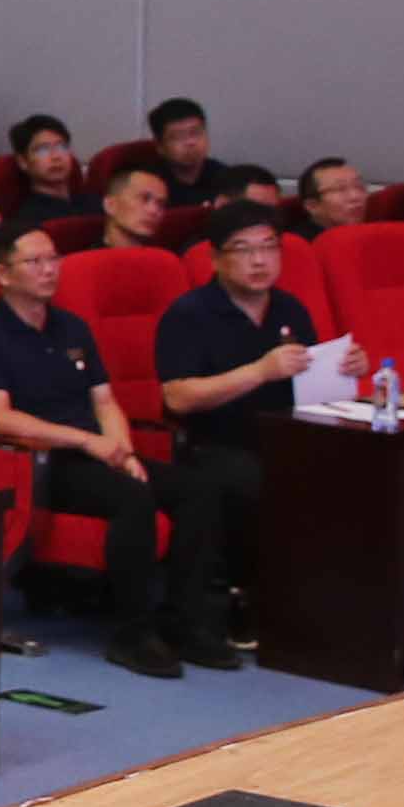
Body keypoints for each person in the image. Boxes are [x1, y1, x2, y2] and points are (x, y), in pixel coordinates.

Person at [0, 228, 185, 679]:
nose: (49, 270)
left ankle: (188, 622)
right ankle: (132, 635)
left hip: (98, 453)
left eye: (54, 259)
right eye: (35, 262)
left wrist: (123, 452)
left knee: (195, 488)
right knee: (132, 497)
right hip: (42, 463)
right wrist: (87, 442)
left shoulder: (71, 326)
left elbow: (104, 401)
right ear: (2, 273)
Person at [137, 212, 314, 667]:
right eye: (244, 249)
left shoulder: (290, 309)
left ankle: (318, 606)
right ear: (216, 259)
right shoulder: (189, 315)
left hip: (288, 437)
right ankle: (230, 607)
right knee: (250, 480)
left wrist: (343, 367)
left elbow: (308, 381)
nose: (259, 260)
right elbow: (178, 397)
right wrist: (260, 371)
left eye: (269, 247)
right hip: (213, 443)